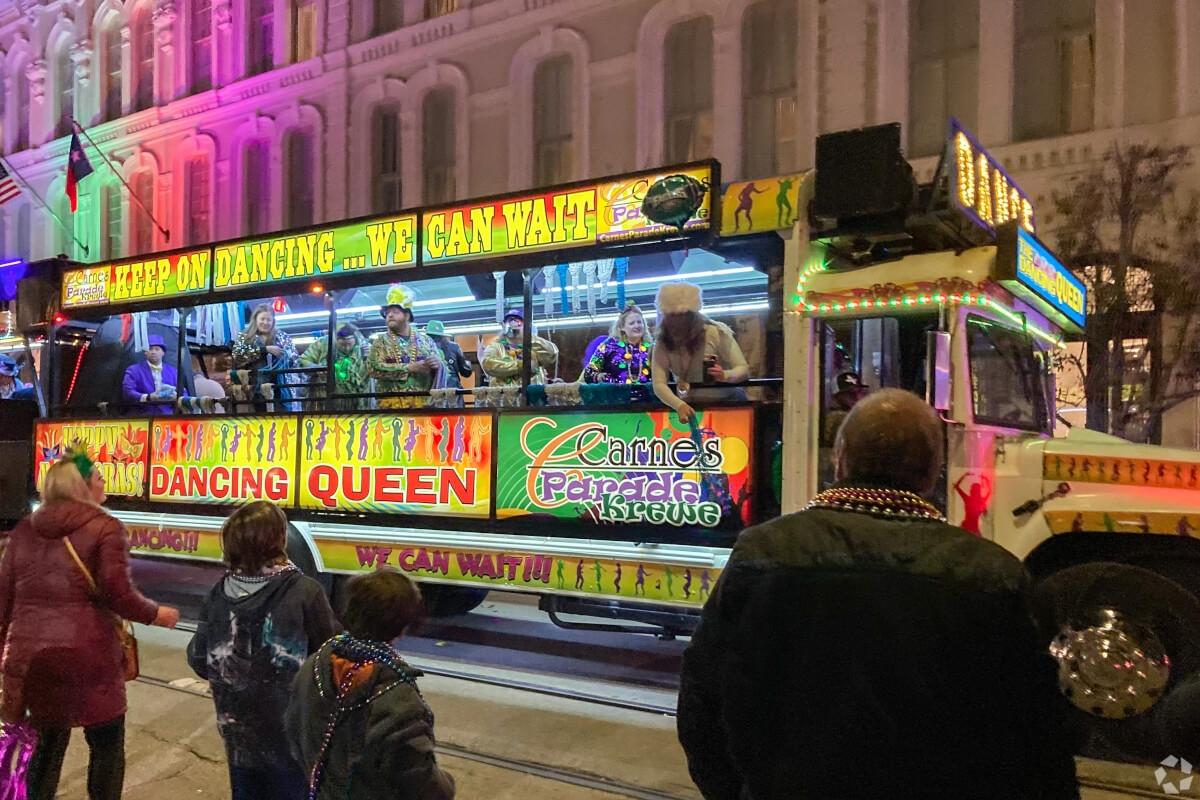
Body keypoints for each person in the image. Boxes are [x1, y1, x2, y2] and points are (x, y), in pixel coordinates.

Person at [676, 389, 1079, 800]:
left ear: (841, 457)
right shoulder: (995, 577)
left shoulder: (759, 554)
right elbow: (1039, 742)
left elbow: (701, 704)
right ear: (933, 471)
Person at [0, 452, 180, 800]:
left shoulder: (24, 532)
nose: (103, 483)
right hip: (89, 660)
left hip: (35, 665)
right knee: (107, 745)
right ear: (81, 486)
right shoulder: (103, 528)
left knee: (46, 749)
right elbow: (117, 592)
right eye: (97, 477)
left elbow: (3, 601)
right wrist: (157, 614)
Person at [186, 501, 339, 800]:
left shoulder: (218, 594)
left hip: (238, 737)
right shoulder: (305, 592)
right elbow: (331, 657)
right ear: (279, 541)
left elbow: (198, 658)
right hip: (292, 741)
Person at [286, 568, 455, 799]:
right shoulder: (397, 698)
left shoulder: (312, 667)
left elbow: (294, 734)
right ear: (402, 627)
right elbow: (420, 781)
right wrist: (448, 785)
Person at [651, 282, 749, 423]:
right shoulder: (662, 342)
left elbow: (743, 369)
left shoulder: (715, 332)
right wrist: (678, 405)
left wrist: (725, 375)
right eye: (670, 315)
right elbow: (659, 383)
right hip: (688, 407)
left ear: (692, 315)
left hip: (727, 405)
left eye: (681, 315)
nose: (675, 321)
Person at [368, 284, 444, 409]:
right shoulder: (380, 342)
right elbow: (373, 369)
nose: (390, 315)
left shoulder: (426, 341)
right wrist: (409, 368)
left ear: (407, 316)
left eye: (395, 312)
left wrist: (437, 365)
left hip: (423, 407)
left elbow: (441, 368)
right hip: (389, 408)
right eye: (387, 313)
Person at [232, 304, 301, 411]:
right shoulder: (245, 336)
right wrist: (265, 349)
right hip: (253, 390)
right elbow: (237, 356)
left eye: (269, 320)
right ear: (255, 319)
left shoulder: (282, 336)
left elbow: (295, 360)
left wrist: (285, 355)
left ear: (273, 321)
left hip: (280, 390)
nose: (265, 322)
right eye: (262, 319)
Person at [299, 323, 371, 411]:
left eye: (349, 344)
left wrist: (368, 356)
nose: (347, 348)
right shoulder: (323, 343)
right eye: (343, 345)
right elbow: (303, 360)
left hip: (355, 398)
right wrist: (316, 368)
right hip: (325, 396)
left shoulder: (364, 346)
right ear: (336, 341)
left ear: (355, 341)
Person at [482, 309, 558, 387]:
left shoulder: (533, 347)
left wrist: (528, 337)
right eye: (510, 320)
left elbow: (551, 354)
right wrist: (522, 365)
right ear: (504, 326)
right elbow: (488, 364)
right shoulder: (496, 346)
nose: (514, 324)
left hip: (533, 396)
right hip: (505, 396)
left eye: (519, 322)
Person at [581, 303, 653, 385]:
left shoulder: (651, 347)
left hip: (646, 396)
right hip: (615, 396)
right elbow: (588, 373)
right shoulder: (609, 346)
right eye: (632, 323)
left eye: (639, 322)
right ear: (622, 327)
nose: (637, 325)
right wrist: (598, 376)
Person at [121, 334, 182, 414]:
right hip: (141, 417)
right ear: (145, 352)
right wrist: (148, 397)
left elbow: (183, 393)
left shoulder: (174, 372)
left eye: (157, 349)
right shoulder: (133, 370)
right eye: (150, 349)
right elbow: (128, 392)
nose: (153, 352)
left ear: (163, 352)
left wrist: (177, 397)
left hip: (168, 418)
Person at [426, 320, 473, 404]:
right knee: (455, 415)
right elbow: (466, 372)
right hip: (453, 391)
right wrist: (468, 364)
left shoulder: (423, 347)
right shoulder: (454, 347)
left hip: (431, 392)